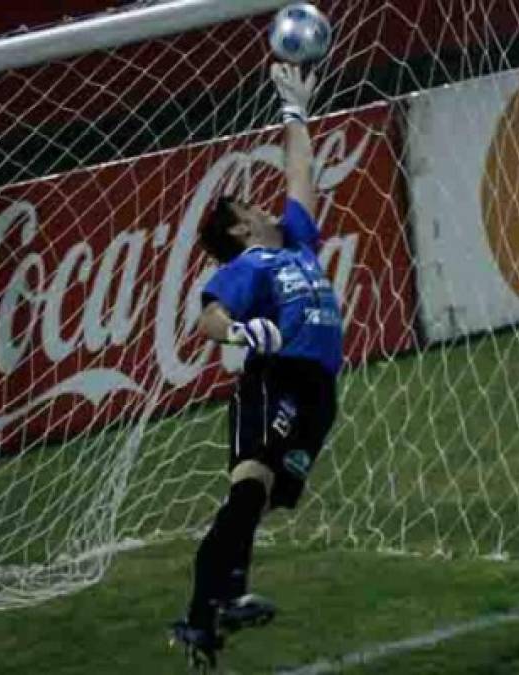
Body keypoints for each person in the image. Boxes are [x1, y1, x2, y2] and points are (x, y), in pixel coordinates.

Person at [171, 63, 343, 668]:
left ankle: (209, 609)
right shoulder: (249, 266)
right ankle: (213, 605)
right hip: (277, 380)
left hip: (320, 393)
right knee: (249, 491)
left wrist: (295, 113)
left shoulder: (295, 243)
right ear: (243, 225)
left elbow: (301, 178)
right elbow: (208, 318)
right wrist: (241, 331)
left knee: (259, 502)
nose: (271, 208)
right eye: (254, 206)